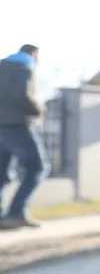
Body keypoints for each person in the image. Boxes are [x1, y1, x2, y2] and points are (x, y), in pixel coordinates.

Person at [0, 44, 50, 229]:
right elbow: (22, 95)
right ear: (33, 54)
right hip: (18, 125)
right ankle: (16, 213)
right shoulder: (24, 67)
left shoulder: (2, 66)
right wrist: (38, 109)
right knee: (38, 167)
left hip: (1, 127)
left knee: (2, 172)